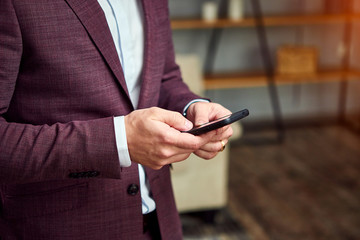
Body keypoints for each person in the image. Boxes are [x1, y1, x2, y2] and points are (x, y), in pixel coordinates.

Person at [0, 0, 233, 239]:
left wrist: (192, 108)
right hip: (59, 227)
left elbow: (164, 77)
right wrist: (119, 141)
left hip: (160, 222)